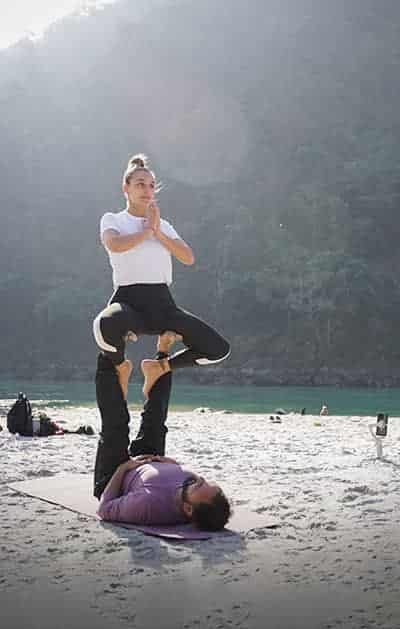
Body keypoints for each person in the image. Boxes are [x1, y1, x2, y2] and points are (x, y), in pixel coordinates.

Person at [93, 153, 230, 399]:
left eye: (151, 185)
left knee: (218, 349)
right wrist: (147, 231)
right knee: (103, 325)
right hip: (128, 301)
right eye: (140, 184)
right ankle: (120, 366)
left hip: (162, 303)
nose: (147, 190)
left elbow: (188, 257)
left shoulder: (163, 225)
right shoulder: (113, 220)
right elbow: (115, 245)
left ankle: (159, 367)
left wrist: (158, 231)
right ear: (126, 188)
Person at [94, 333, 231, 531]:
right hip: (150, 460)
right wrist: (169, 463)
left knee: (115, 425)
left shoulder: (149, 506)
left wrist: (123, 468)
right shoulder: (193, 495)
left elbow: (104, 510)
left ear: (188, 509)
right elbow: (183, 475)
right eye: (206, 481)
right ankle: (162, 353)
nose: (200, 479)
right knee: (156, 419)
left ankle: (110, 356)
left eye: (199, 485)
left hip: (115, 476)